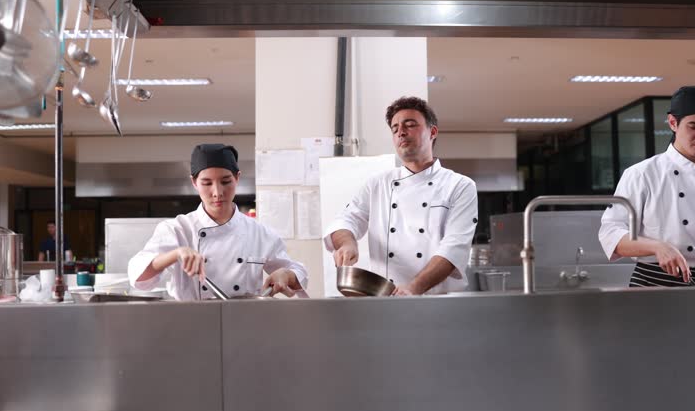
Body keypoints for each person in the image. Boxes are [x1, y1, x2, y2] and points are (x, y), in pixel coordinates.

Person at [599, 86, 695, 287]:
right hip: (652, 285)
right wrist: (657, 247)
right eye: (694, 126)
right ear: (673, 123)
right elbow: (611, 232)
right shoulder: (642, 174)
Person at [324, 96, 478, 295]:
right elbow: (346, 220)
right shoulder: (378, 183)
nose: (401, 132)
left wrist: (413, 288)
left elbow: (454, 248)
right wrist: (347, 243)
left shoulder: (459, 186)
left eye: (410, 124)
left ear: (432, 132)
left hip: (438, 302)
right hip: (387, 299)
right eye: (395, 128)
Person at [128, 144, 307, 300]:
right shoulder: (177, 229)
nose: (217, 192)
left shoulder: (259, 233)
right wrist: (175, 254)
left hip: (245, 324)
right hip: (191, 325)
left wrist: (286, 274)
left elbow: (297, 270)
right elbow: (138, 275)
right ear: (194, 182)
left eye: (225, 181)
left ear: (237, 178)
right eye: (206, 183)